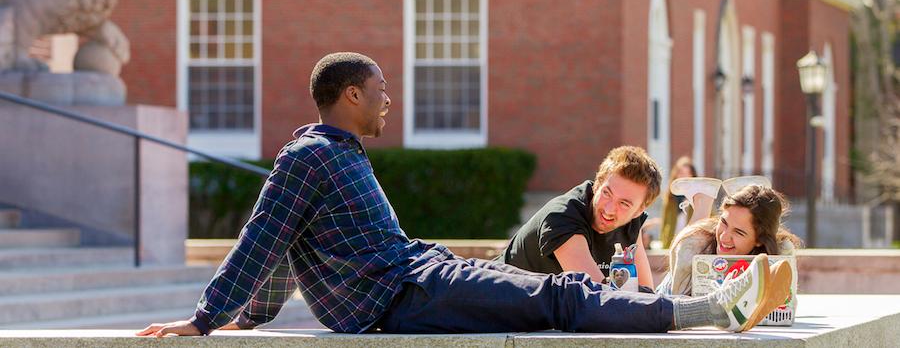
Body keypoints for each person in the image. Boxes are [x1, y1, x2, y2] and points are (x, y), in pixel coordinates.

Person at [136, 52, 792, 337]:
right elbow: (262, 241)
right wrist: (207, 318)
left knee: (547, 292)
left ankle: (708, 306)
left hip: (421, 273)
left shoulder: (339, 158)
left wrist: (253, 319)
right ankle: (710, 312)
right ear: (351, 95)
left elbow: (284, 253)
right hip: (400, 298)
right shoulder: (307, 157)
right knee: (560, 298)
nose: (390, 100)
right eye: (381, 89)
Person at [497, 146, 659, 289]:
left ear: (638, 211)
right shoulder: (562, 217)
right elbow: (599, 299)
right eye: (607, 193)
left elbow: (646, 294)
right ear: (597, 185)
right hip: (494, 307)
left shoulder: (631, 223)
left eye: (624, 203)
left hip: (543, 316)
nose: (609, 209)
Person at [657, 183, 801, 296]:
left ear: (759, 240)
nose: (724, 236)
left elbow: (785, 305)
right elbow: (676, 307)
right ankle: (701, 198)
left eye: (738, 232)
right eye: (724, 223)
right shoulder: (693, 244)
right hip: (669, 294)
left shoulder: (782, 250)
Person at [660, 156, 698, 249]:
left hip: (691, 245)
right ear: (675, 175)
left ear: (693, 176)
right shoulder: (670, 197)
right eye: (681, 173)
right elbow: (664, 223)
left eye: (688, 173)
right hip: (671, 244)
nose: (684, 177)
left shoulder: (699, 196)